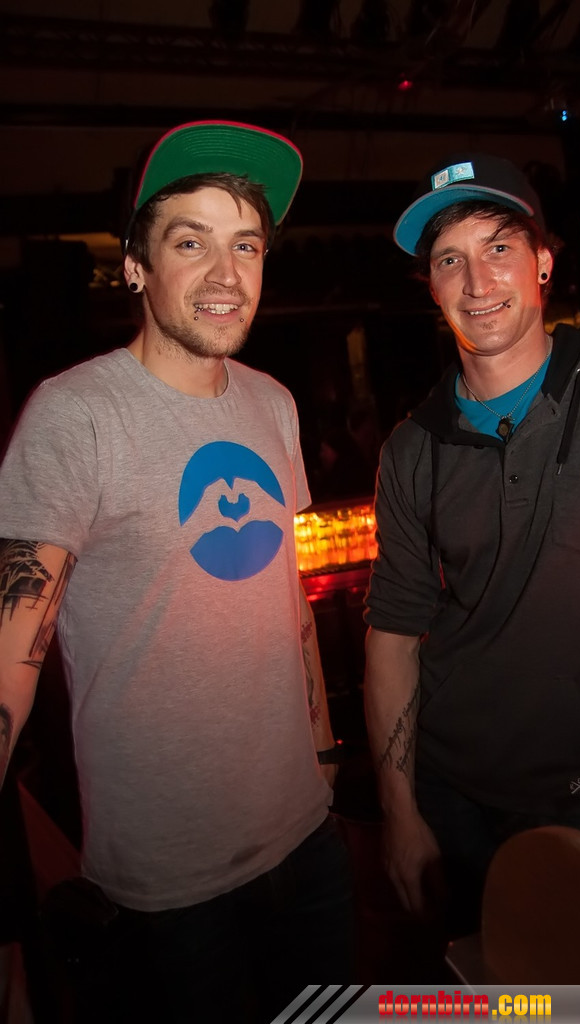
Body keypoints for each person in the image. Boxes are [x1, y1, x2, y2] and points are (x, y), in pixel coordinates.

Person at [0, 120, 352, 1022]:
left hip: (305, 835)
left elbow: (287, 603)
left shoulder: (273, 403)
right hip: (169, 883)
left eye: (246, 245)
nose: (227, 274)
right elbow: (11, 648)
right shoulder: (75, 414)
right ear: (134, 267)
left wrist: (321, 754)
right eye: (191, 243)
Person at [363, 151, 580, 939]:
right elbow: (393, 635)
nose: (477, 282)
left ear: (543, 259)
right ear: (430, 286)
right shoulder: (411, 447)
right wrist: (399, 812)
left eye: (498, 247)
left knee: (579, 989)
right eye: (449, 259)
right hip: (446, 785)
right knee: (474, 984)